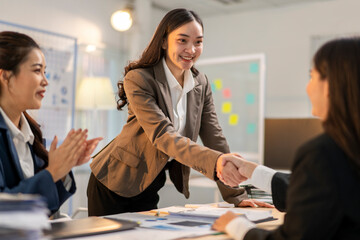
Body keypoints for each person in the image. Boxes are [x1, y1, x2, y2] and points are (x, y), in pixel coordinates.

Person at [87, 8, 272, 217]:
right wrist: (216, 162)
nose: (191, 49)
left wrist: (236, 196)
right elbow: (163, 136)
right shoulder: (140, 79)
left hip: (149, 182)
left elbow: (214, 135)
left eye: (198, 42)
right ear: (164, 42)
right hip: (113, 181)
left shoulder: (200, 82)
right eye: (182, 40)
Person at [212, 38, 360, 239]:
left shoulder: (322, 153)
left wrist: (238, 226)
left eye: (312, 76)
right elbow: (322, 190)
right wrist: (253, 171)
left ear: (330, 86)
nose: (308, 87)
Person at [0, 31, 102, 215]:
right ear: (5, 76)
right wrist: (52, 171)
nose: (45, 81)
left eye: (44, 72)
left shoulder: (30, 132)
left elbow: (45, 208)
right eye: (37, 70)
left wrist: (63, 168)